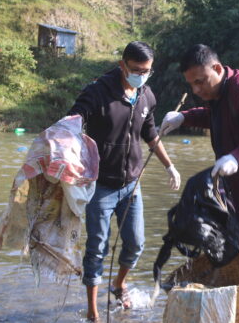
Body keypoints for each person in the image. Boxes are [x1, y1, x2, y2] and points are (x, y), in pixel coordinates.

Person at [159, 44, 239, 321]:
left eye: (200, 81)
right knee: (229, 248)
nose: (196, 90)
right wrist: (184, 117)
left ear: (217, 68)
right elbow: (210, 115)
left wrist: (237, 158)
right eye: (191, 84)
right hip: (234, 186)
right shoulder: (218, 93)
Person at [68, 41, 181, 321]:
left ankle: (119, 283)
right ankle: (94, 311)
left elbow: (150, 133)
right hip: (100, 186)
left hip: (132, 184)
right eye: (136, 70)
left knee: (135, 243)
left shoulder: (146, 95)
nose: (141, 75)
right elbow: (74, 118)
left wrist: (170, 166)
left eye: (147, 71)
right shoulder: (98, 92)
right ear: (123, 65)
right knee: (97, 247)